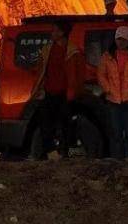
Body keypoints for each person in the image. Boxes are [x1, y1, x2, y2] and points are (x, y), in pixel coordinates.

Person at [95, 26, 128, 160]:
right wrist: (107, 88)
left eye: (124, 39)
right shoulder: (107, 56)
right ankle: (117, 161)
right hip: (113, 100)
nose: (121, 42)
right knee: (115, 134)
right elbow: (101, 74)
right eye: (119, 39)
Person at [27, 28, 77, 158]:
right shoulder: (47, 50)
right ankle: (51, 152)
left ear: (61, 33)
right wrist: (38, 89)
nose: (52, 33)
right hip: (49, 92)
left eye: (55, 31)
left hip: (64, 93)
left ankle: (64, 151)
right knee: (46, 124)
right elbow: (40, 71)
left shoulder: (71, 51)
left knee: (65, 123)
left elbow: (75, 73)